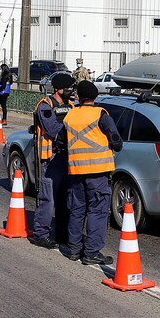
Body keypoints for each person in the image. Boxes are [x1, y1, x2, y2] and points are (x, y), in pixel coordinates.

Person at [56, 81, 122, 265]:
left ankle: (74, 249)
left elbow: (60, 142)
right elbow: (116, 141)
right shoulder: (101, 114)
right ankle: (91, 252)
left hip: (76, 171)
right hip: (98, 172)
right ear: (95, 96)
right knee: (97, 211)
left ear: (79, 96)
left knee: (77, 210)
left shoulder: (70, 115)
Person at [29, 74, 75, 249]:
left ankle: (63, 234)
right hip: (51, 158)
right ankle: (40, 234)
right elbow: (52, 129)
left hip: (68, 157)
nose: (71, 91)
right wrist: (71, 131)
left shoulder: (70, 106)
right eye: (69, 88)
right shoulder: (45, 106)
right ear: (58, 89)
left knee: (66, 198)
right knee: (48, 198)